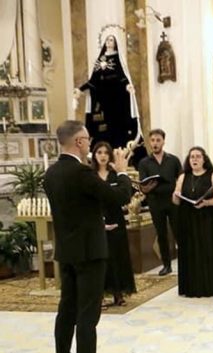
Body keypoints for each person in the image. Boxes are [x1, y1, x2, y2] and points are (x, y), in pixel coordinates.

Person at [44, 120, 133, 353]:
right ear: (79, 141)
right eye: (88, 139)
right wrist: (122, 171)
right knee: (87, 314)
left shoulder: (51, 173)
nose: (90, 144)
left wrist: (95, 224)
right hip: (90, 252)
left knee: (66, 309)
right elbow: (118, 197)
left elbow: (71, 211)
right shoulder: (82, 172)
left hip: (67, 250)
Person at [73, 33, 143, 163]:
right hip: (102, 99)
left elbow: (122, 76)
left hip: (117, 99)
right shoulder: (100, 59)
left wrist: (128, 85)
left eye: (111, 40)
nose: (109, 42)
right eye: (107, 40)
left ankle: (119, 155)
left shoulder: (117, 58)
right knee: (101, 129)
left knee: (117, 128)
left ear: (115, 43)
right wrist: (80, 89)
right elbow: (93, 81)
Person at [172, 147, 213, 297]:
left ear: (204, 159)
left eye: (198, 157)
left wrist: (206, 203)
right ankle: (191, 286)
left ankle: (209, 286)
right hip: (188, 218)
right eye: (192, 157)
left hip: (207, 218)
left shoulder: (212, 175)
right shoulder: (183, 177)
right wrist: (176, 195)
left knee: (207, 249)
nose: (194, 159)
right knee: (190, 250)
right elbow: (175, 200)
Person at [91, 141, 136, 307]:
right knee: (101, 259)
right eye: (99, 152)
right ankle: (101, 294)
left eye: (105, 153)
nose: (103, 156)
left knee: (118, 256)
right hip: (97, 219)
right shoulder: (90, 175)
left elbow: (124, 195)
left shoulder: (115, 174)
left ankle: (119, 293)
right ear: (94, 156)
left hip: (115, 219)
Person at [137, 129, 182, 276]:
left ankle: (186, 262)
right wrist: (149, 186)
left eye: (158, 140)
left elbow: (181, 178)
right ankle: (166, 265)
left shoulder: (173, 160)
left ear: (163, 141)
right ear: (149, 143)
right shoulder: (144, 163)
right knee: (161, 234)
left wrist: (178, 190)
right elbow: (143, 186)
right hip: (155, 202)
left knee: (178, 232)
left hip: (172, 201)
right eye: (153, 141)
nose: (155, 143)